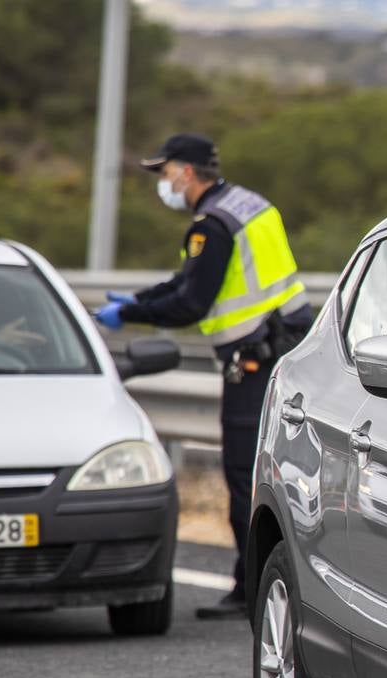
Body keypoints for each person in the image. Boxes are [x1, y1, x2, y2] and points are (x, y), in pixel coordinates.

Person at [95, 133, 313, 620]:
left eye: (165, 172)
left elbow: (191, 302)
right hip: (287, 344)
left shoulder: (211, 226)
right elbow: (187, 283)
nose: (164, 182)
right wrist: (135, 301)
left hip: (256, 356)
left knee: (243, 472)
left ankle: (251, 589)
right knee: (274, 471)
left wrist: (131, 313)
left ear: (187, 172)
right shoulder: (247, 205)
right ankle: (264, 582)